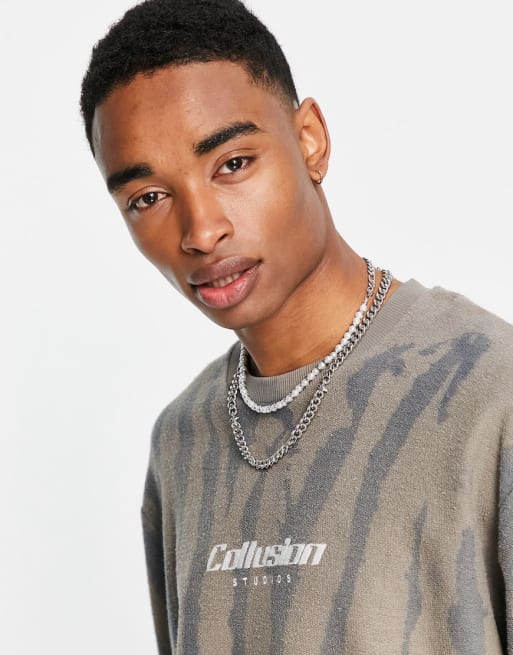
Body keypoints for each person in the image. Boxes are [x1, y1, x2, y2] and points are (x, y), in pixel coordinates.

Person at [80, 0, 513, 652]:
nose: (201, 231)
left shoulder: (489, 393)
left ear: (310, 140)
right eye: (148, 198)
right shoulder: (181, 440)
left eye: (232, 163)